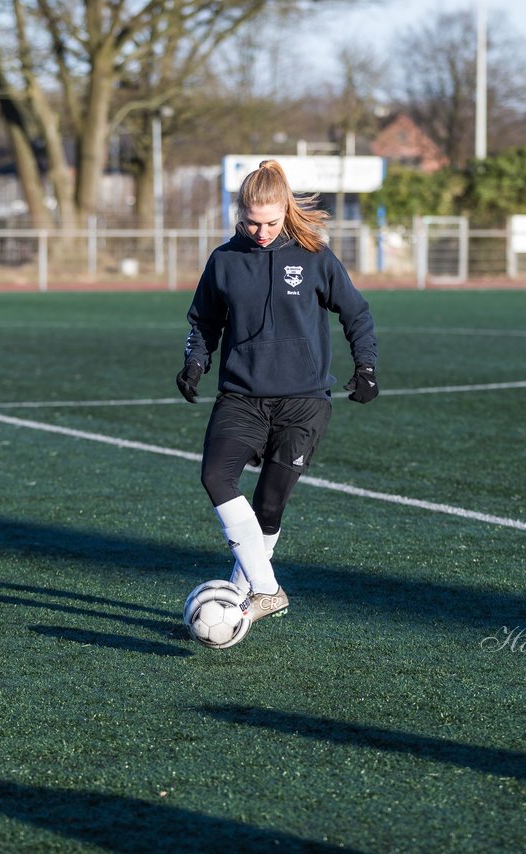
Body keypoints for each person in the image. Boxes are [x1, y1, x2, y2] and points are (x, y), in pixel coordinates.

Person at [177, 159, 379, 622]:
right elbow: (204, 322)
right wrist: (195, 362)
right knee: (215, 477)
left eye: (270, 222)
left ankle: (238, 599)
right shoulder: (224, 261)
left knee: (269, 507)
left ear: (285, 212)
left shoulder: (315, 257)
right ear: (239, 213)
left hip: (302, 404)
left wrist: (365, 365)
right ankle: (268, 591)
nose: (262, 231)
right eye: (251, 221)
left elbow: (357, 314)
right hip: (241, 397)